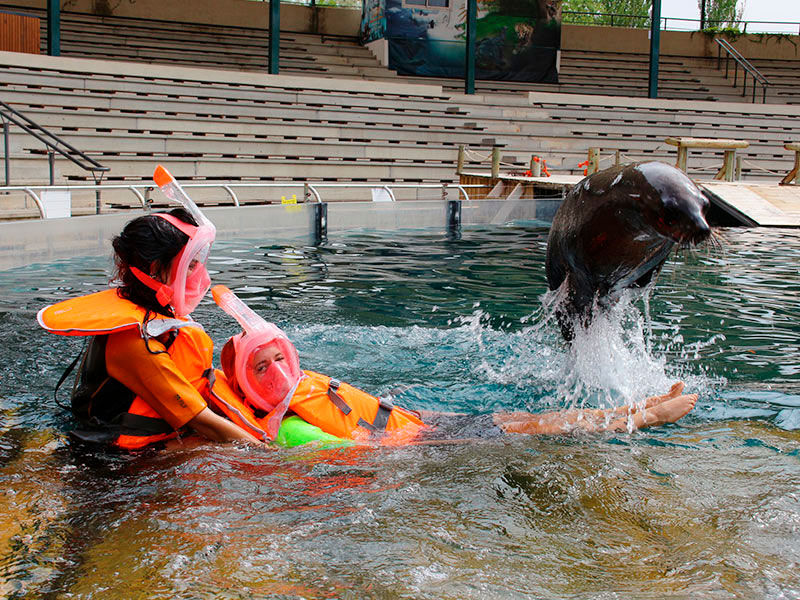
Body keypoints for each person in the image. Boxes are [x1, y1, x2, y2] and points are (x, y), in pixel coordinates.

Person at [208, 285, 698, 447]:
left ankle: (644, 404)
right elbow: (353, 454)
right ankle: (644, 415)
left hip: (420, 424)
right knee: (535, 427)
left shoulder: (300, 389)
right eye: (260, 369)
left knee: (514, 421)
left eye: (278, 359)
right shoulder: (290, 427)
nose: (275, 373)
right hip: (422, 447)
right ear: (245, 384)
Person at [38, 166, 264, 450]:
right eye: (190, 265)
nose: (199, 274)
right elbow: (202, 422)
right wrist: (273, 455)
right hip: (113, 465)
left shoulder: (161, 313)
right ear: (156, 270)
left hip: (158, 444)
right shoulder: (135, 342)